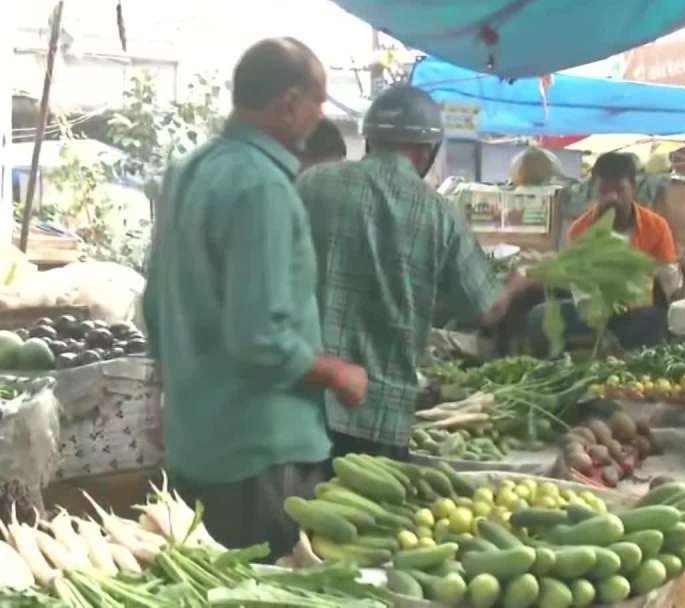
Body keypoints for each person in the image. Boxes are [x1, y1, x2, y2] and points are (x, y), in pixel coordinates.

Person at [144, 37, 368, 554]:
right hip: (260, 452)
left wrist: (162, 394)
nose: (319, 115)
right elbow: (259, 338)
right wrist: (337, 372)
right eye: (318, 101)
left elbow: (155, 303)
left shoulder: (187, 172)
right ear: (289, 103)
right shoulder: (263, 187)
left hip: (196, 440)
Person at [297, 84, 533, 459]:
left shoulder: (312, 184)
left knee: (300, 514)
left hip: (304, 405)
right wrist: (519, 284)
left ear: (370, 138)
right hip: (381, 416)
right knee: (369, 516)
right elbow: (486, 310)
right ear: (427, 150)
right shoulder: (440, 215)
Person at [527, 152, 678, 353]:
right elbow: (580, 286)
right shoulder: (580, 229)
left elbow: (669, 281)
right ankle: (554, 373)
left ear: (633, 188)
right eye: (605, 191)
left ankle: (632, 374)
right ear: (596, 191)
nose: (612, 198)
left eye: (619, 190)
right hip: (595, 312)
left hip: (639, 312)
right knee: (540, 316)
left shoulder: (657, 226)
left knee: (652, 321)